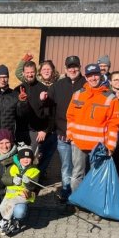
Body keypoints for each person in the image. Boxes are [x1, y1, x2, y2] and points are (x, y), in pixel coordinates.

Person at [66, 63, 119, 220]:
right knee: (77, 175)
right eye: (90, 76)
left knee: (96, 177)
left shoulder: (110, 98)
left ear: (101, 75)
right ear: (86, 77)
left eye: (96, 74)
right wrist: (70, 135)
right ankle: (78, 203)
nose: (93, 78)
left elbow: (113, 124)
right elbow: (70, 116)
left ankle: (95, 208)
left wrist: (110, 145)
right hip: (77, 144)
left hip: (98, 147)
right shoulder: (77, 94)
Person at [47, 56, 86, 206]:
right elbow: (48, 107)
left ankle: (78, 195)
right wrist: (43, 99)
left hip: (79, 136)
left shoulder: (86, 85)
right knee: (66, 166)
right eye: (70, 67)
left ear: (80, 67)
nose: (73, 69)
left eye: (75, 66)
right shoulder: (57, 86)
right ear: (65, 69)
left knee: (79, 168)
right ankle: (65, 189)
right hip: (62, 135)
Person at [15, 61, 55, 175]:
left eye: (32, 72)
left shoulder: (43, 89)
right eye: (27, 72)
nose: (29, 74)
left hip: (36, 131)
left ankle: (31, 184)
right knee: (19, 158)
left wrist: (45, 130)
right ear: (23, 73)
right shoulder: (18, 89)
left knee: (32, 159)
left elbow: (50, 113)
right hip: (20, 130)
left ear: (36, 72)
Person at [0, 145, 40, 236]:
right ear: (19, 159)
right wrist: (12, 180)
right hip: (10, 194)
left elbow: (34, 187)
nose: (25, 160)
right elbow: (4, 179)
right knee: (2, 207)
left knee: (12, 204)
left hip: (23, 195)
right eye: (23, 157)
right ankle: (8, 222)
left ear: (32, 159)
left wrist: (28, 183)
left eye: (28, 158)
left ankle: (5, 221)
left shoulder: (35, 170)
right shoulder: (12, 167)